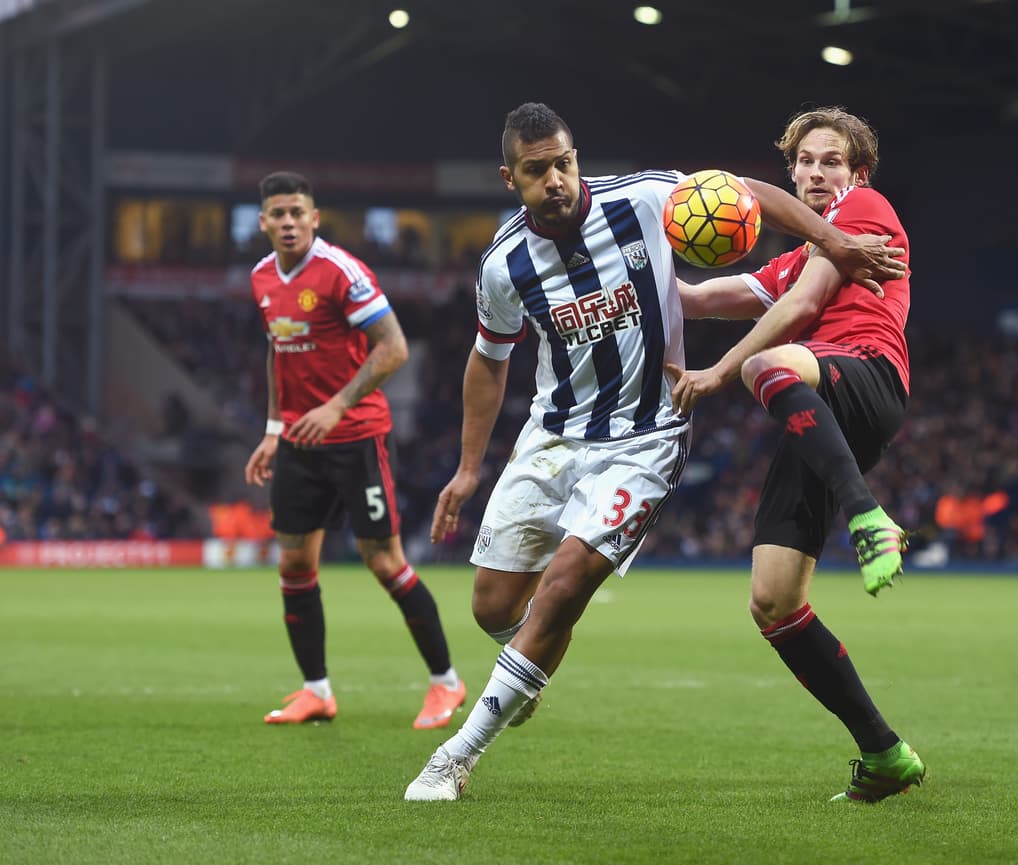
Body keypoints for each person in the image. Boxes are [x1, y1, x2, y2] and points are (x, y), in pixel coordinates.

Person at [403, 102, 905, 801]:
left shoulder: (639, 198)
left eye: (564, 162)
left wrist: (835, 242)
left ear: (577, 156)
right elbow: (488, 359)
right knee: (494, 606)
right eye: (536, 170)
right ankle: (527, 661)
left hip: (646, 436)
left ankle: (455, 757)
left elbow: (745, 192)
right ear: (509, 177)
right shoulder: (504, 263)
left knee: (563, 588)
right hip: (552, 435)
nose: (556, 179)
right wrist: (466, 468)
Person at [669, 107, 925, 802]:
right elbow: (695, 298)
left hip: (867, 373)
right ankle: (884, 753)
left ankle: (868, 517)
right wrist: (630, 269)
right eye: (805, 161)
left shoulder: (863, 209)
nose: (816, 171)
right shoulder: (790, 258)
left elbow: (805, 303)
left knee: (765, 366)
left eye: (831, 160)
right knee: (774, 601)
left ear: (856, 172)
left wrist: (719, 372)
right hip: (820, 411)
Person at [244, 171, 465, 729]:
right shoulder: (262, 279)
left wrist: (337, 405)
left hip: (355, 437)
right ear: (263, 222)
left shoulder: (342, 271)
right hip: (297, 441)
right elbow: (278, 353)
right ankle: (316, 690)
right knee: (294, 563)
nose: (288, 222)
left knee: (384, 562)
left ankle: (446, 683)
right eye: (278, 214)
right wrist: (274, 428)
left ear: (314, 218)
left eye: (298, 212)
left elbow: (393, 349)